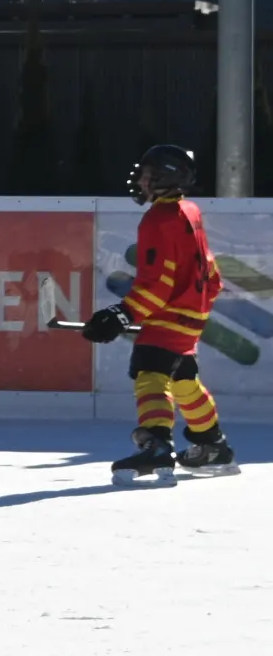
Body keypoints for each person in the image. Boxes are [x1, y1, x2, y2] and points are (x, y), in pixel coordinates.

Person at [77, 143, 235, 481]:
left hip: (168, 315)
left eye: (148, 176)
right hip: (192, 315)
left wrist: (121, 315)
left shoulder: (157, 220)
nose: (142, 182)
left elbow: (157, 285)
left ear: (165, 179)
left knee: (150, 375)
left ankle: (157, 446)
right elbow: (212, 274)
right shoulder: (189, 210)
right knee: (183, 379)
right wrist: (195, 313)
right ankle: (213, 446)